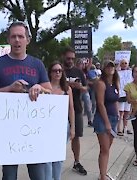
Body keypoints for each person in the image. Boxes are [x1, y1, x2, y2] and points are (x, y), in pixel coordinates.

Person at [0, 21, 52, 180]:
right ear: (8, 39)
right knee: (9, 176)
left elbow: (51, 93)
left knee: (38, 176)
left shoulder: (37, 64)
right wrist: (9, 89)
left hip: (34, 131)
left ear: (28, 39)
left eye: (21, 36)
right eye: (14, 36)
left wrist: (40, 88)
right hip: (8, 132)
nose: (17, 40)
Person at [45, 61, 75, 180]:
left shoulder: (67, 89)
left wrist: (73, 127)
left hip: (62, 126)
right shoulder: (45, 88)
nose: (57, 73)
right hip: (47, 126)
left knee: (58, 156)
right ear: (50, 72)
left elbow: (71, 109)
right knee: (47, 155)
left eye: (60, 70)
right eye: (55, 70)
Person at [61, 46, 88, 176]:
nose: (70, 60)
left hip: (76, 107)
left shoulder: (78, 72)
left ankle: (77, 161)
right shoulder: (57, 70)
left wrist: (80, 87)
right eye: (68, 58)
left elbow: (86, 87)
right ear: (63, 57)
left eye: (72, 58)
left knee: (76, 136)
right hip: (58, 108)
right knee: (57, 137)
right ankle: (54, 161)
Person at [93, 60, 119, 180]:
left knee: (107, 149)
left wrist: (118, 117)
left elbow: (115, 100)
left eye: (112, 66)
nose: (110, 68)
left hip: (114, 118)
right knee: (104, 149)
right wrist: (107, 123)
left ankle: (103, 172)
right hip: (103, 119)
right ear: (103, 68)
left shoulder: (115, 83)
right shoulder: (101, 83)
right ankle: (103, 176)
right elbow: (100, 103)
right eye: (108, 66)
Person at [117, 59, 133, 136]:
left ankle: (125, 127)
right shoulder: (117, 73)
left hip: (128, 94)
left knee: (127, 112)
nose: (124, 65)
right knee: (121, 112)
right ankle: (119, 128)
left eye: (125, 63)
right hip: (121, 94)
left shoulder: (130, 73)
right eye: (122, 63)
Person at [76, 59, 93, 127]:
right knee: (79, 107)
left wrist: (89, 56)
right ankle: (79, 121)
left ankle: (90, 120)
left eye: (83, 64)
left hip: (84, 91)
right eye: (80, 63)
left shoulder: (85, 71)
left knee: (88, 106)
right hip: (77, 91)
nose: (82, 65)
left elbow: (89, 64)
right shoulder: (75, 71)